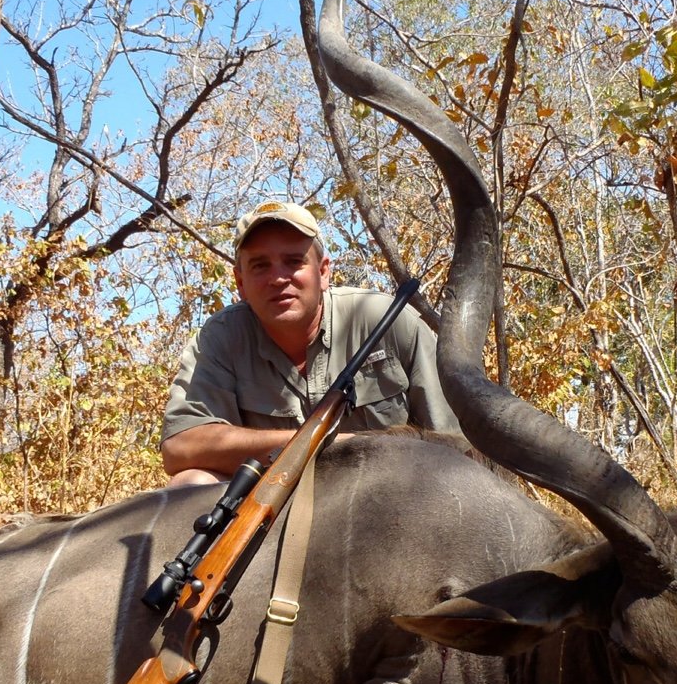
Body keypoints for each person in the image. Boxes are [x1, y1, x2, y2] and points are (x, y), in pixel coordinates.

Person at [161, 200, 463, 485]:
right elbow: (181, 447)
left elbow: (455, 448)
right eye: (260, 265)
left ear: (323, 272)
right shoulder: (221, 337)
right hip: (272, 511)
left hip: (388, 503)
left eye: (293, 262)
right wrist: (336, 446)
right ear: (240, 283)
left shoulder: (387, 321)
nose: (278, 278)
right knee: (189, 484)